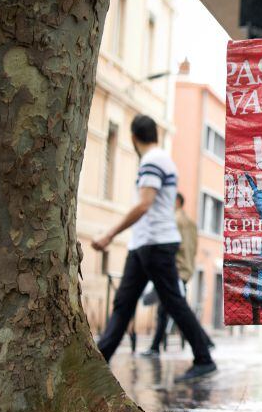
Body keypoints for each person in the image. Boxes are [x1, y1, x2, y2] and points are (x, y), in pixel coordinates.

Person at [93, 115, 217, 382]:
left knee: (172, 301)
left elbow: (145, 204)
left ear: (134, 137)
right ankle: (99, 362)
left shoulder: (153, 161)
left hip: (156, 243)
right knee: (123, 304)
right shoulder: (159, 159)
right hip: (144, 244)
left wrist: (109, 234)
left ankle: (204, 358)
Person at [143, 193, 214, 355]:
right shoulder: (191, 223)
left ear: (176, 201)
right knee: (173, 308)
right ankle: (205, 341)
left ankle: (156, 347)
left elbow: (171, 247)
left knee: (173, 310)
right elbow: (193, 249)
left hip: (174, 270)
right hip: (185, 270)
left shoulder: (174, 220)